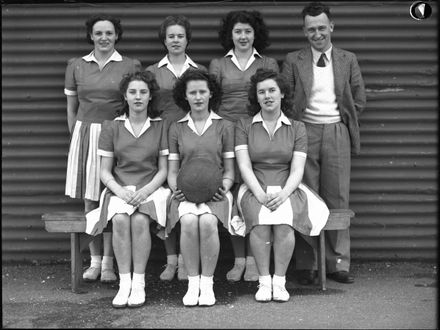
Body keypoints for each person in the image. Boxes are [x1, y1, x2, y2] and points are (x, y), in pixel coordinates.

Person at [281, 2, 366, 284]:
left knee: (337, 196)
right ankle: (308, 264)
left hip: (336, 131)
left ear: (331, 26)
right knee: (306, 195)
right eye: (311, 29)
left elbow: (358, 97)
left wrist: (341, 120)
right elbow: (286, 96)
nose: (317, 33)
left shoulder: (347, 59)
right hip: (304, 131)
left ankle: (338, 263)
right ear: (304, 32)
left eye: (321, 27)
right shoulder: (294, 60)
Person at [235, 68, 329, 302]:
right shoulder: (244, 125)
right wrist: (258, 193)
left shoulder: (297, 127)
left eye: (272, 90)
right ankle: (264, 282)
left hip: (288, 186)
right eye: (261, 92)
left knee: (285, 224)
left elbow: (297, 169)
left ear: (282, 94)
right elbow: (245, 167)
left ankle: (280, 282)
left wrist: (285, 193)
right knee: (260, 225)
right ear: (256, 97)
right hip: (253, 186)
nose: (267, 96)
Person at [64, 14, 141, 283]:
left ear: (116, 35)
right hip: (85, 134)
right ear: (91, 36)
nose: (104, 38)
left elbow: (134, 102)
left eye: (109, 33)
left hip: (116, 134)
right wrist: (78, 136)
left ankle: (109, 263)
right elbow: (71, 109)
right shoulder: (76, 65)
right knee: (90, 200)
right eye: (99, 33)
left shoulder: (130, 65)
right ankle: (94, 260)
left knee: (113, 198)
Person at [87, 71, 171, 308]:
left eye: (143, 92)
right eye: (133, 92)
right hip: (119, 188)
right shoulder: (111, 127)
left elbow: (163, 170)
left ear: (150, 97)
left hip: (152, 189)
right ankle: (125, 283)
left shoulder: (160, 126)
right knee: (122, 220)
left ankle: (139, 283)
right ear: (125, 96)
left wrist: (145, 192)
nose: (138, 97)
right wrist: (120, 190)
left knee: (141, 221)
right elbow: (105, 171)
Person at [209, 10, 279, 282]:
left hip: (257, 132)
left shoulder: (268, 62)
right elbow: (213, 101)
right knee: (232, 197)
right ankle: (238, 259)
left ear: (255, 34)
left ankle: (253, 259)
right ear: (230, 34)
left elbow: (273, 95)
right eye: (237, 31)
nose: (242, 36)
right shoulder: (217, 64)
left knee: (251, 192)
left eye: (247, 31)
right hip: (226, 133)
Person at [146, 15, 207, 282]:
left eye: (180, 36)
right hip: (162, 139)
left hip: (192, 139)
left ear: (187, 39)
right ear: (164, 40)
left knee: (191, 195)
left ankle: (187, 260)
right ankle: (172, 260)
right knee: (170, 197)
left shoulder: (200, 70)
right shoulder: (152, 71)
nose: (175, 40)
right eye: (171, 36)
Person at [167, 69, 235, 306]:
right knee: (187, 222)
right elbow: (172, 171)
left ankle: (207, 285)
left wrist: (224, 187)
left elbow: (229, 170)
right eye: (192, 92)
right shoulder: (176, 128)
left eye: (202, 92)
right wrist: (176, 188)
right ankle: (192, 283)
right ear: (184, 96)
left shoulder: (224, 126)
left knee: (206, 222)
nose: (197, 97)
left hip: (217, 193)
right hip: (185, 193)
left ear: (210, 94)